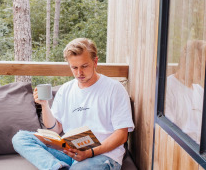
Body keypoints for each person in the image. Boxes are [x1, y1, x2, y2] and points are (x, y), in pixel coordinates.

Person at [12, 38, 135, 170]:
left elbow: (122, 135)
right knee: (21, 138)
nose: (79, 73)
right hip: (69, 151)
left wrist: (89, 152)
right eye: (74, 67)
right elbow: (55, 129)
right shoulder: (65, 89)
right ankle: (57, 167)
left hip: (102, 155)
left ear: (95, 62)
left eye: (84, 66)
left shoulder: (114, 89)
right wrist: (44, 105)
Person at [165, 40, 206, 143]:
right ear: (186, 62)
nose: (203, 71)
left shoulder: (200, 92)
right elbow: (168, 134)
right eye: (199, 66)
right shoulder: (168, 89)